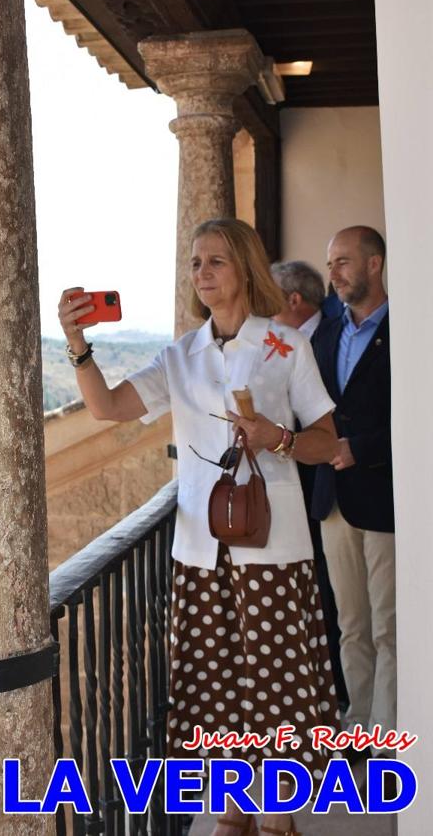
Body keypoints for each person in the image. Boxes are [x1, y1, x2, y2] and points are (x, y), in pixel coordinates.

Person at [58, 218, 340, 836]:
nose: (202, 274)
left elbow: (327, 440)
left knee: (276, 692)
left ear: (244, 267)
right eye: (194, 263)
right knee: (214, 691)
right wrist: (78, 345)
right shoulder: (180, 355)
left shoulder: (285, 346)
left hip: (273, 547)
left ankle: (278, 820)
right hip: (199, 551)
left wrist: (280, 437)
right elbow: (108, 408)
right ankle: (236, 814)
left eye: (215, 261)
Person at [311, 226, 395, 759]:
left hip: (386, 498)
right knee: (351, 625)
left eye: (344, 262)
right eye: (330, 263)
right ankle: (359, 725)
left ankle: (388, 738)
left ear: (374, 264)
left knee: (390, 627)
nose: (334, 273)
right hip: (332, 499)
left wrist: (360, 449)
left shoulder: (410, 329)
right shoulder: (324, 333)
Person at [271, 260, 348, 709]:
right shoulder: (286, 343)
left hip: (334, 489)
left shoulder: (330, 337)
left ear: (294, 300)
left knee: (338, 608)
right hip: (306, 497)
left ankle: (338, 701)